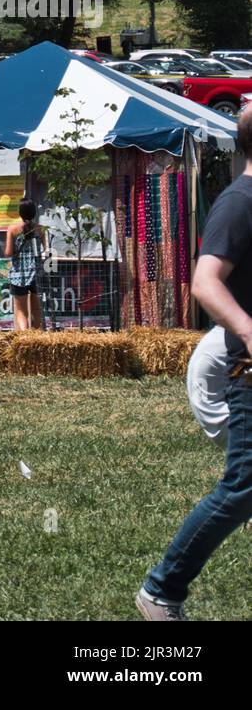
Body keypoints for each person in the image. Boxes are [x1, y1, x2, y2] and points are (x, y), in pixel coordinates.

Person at [137, 110, 252, 620]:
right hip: (248, 369)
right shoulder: (239, 204)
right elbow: (205, 284)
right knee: (245, 484)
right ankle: (162, 590)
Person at [6, 199, 44, 331]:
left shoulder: (13, 229)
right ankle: (36, 336)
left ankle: (25, 337)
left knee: (21, 310)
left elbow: (8, 252)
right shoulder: (40, 229)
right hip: (37, 273)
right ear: (34, 213)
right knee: (36, 308)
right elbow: (46, 250)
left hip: (18, 275)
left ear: (20, 212)